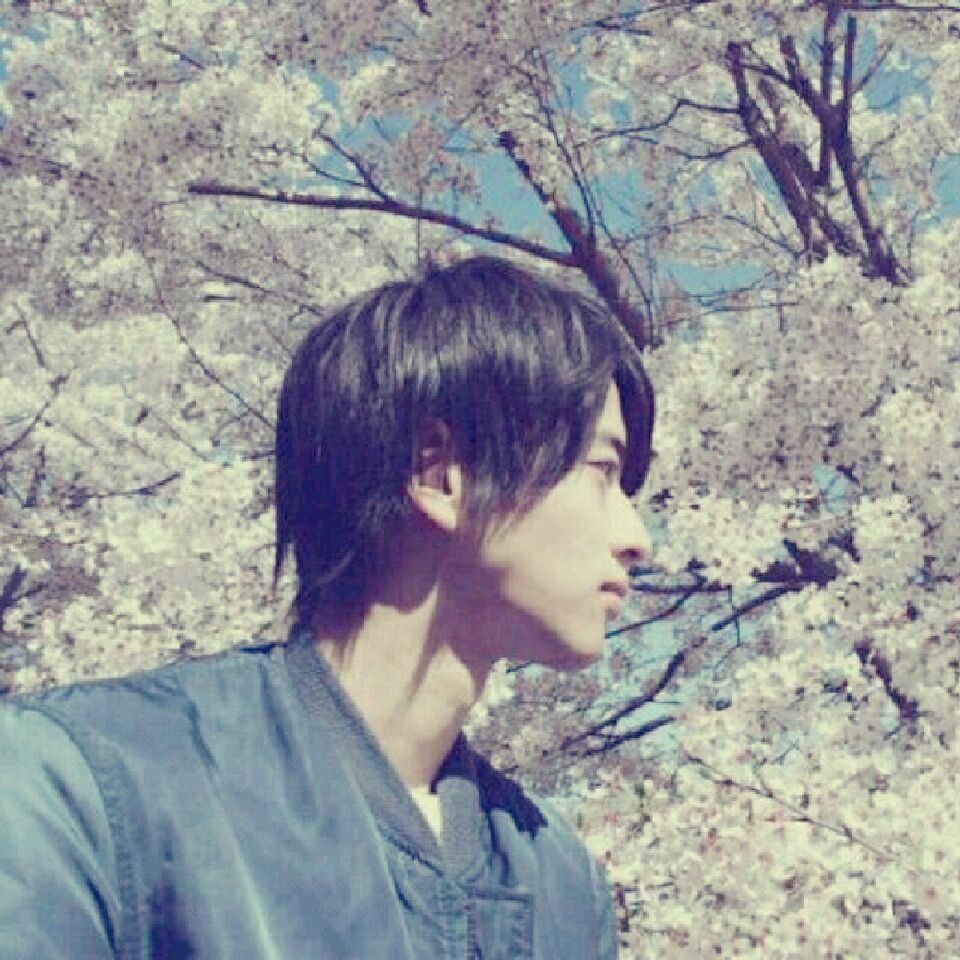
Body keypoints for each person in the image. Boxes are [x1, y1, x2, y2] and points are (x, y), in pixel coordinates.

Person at [0, 255, 654, 959]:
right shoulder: (84, 790)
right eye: (603, 471)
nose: (638, 540)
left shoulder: (559, 882)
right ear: (440, 473)